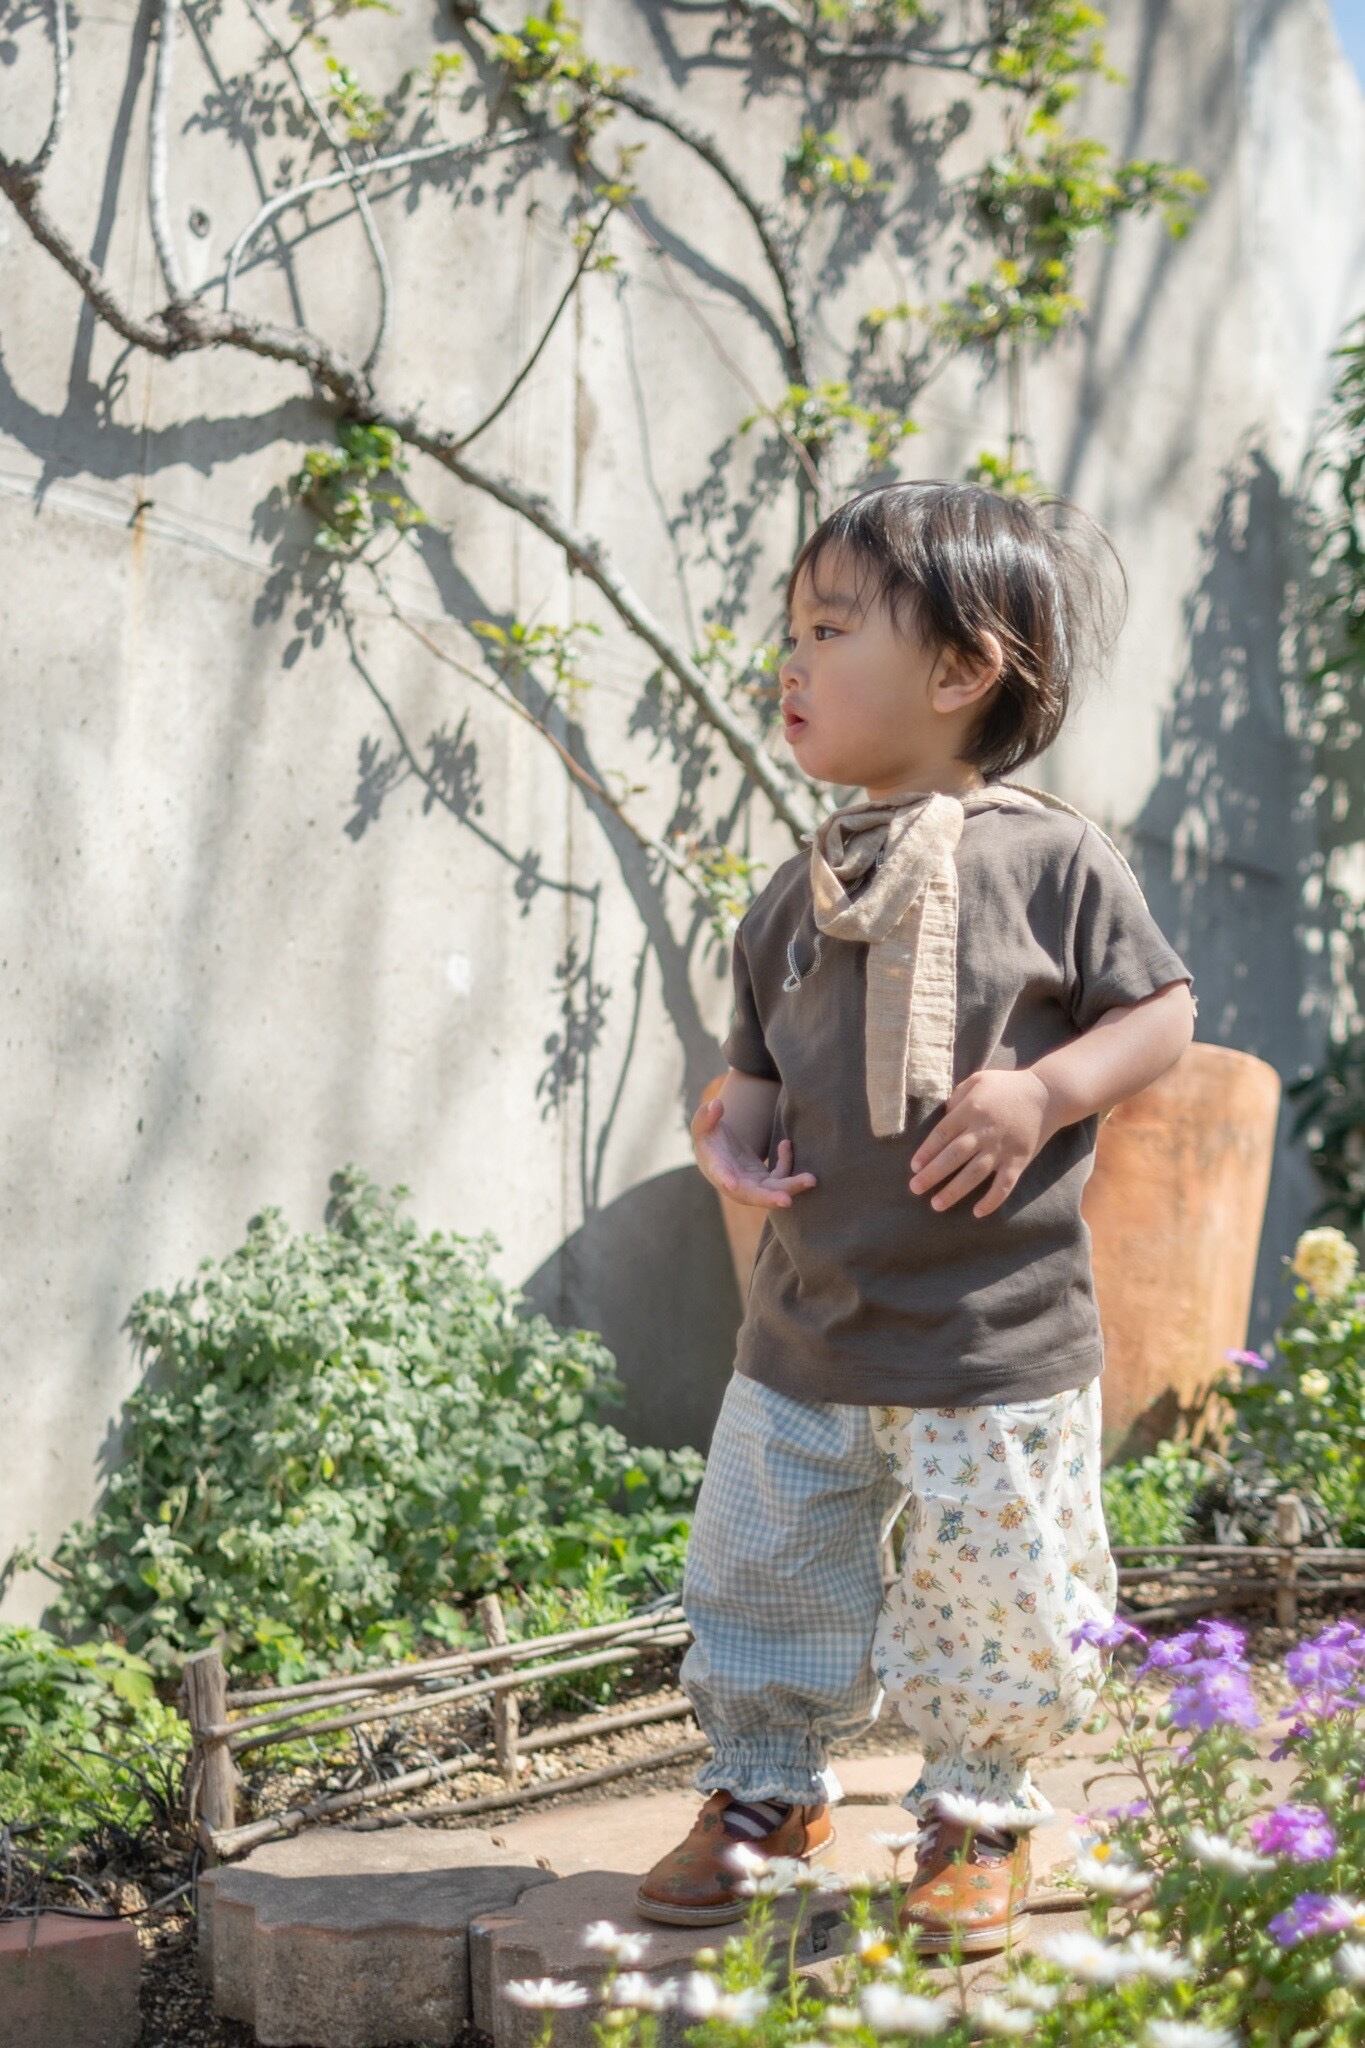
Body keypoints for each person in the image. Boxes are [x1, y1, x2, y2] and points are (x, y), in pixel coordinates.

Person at [634, 480, 1197, 1952]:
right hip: (805, 1332)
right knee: (767, 1567)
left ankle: (976, 1806)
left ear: (959, 671)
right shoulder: (797, 891)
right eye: (791, 632)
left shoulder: (1054, 859)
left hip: (987, 1338)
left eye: (829, 631)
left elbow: (1162, 1015)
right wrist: (727, 1138)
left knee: (995, 1585)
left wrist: (1044, 1092)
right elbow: (756, 1080)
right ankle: (766, 1788)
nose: (790, 663)